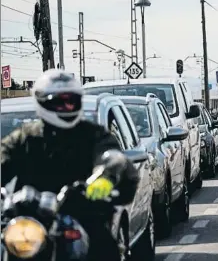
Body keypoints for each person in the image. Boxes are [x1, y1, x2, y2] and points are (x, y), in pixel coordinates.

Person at [1, 69, 139, 261]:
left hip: (83, 213)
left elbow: (112, 157)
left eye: (71, 101)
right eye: (60, 102)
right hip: (30, 218)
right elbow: (3, 157)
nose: (67, 107)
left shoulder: (93, 135)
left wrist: (106, 177)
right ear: (43, 102)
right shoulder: (25, 137)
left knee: (105, 249)